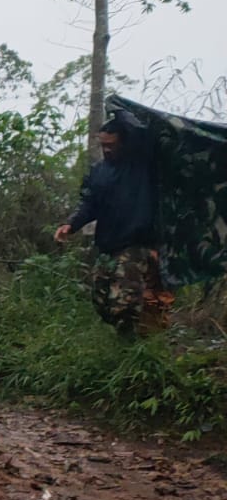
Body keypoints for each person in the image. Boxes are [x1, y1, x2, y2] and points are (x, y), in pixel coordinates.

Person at [54, 109, 173, 335]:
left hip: (136, 244)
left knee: (125, 303)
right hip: (108, 245)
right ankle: (136, 334)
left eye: (112, 145)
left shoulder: (141, 164)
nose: (107, 150)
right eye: (103, 145)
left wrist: (119, 111)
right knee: (101, 300)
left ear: (124, 142)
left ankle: (133, 349)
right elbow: (89, 204)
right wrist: (71, 225)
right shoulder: (99, 172)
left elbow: (142, 131)